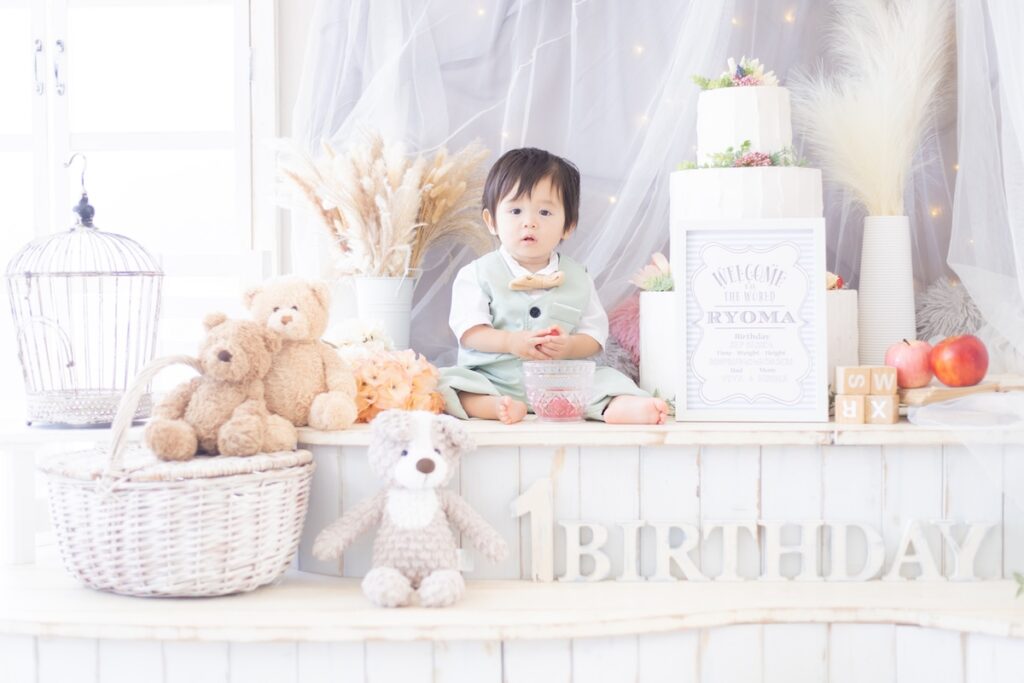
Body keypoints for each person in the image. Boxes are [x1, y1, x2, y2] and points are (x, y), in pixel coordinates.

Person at [438, 147, 669, 425]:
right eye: (515, 210)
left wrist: (568, 347)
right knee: (449, 383)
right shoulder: (476, 274)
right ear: (492, 221)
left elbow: (594, 337)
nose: (529, 222)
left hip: (561, 383)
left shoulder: (578, 277)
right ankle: (492, 405)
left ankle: (618, 406)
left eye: (545, 212)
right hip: (494, 378)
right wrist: (510, 342)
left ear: (568, 225)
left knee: (608, 379)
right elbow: (470, 333)